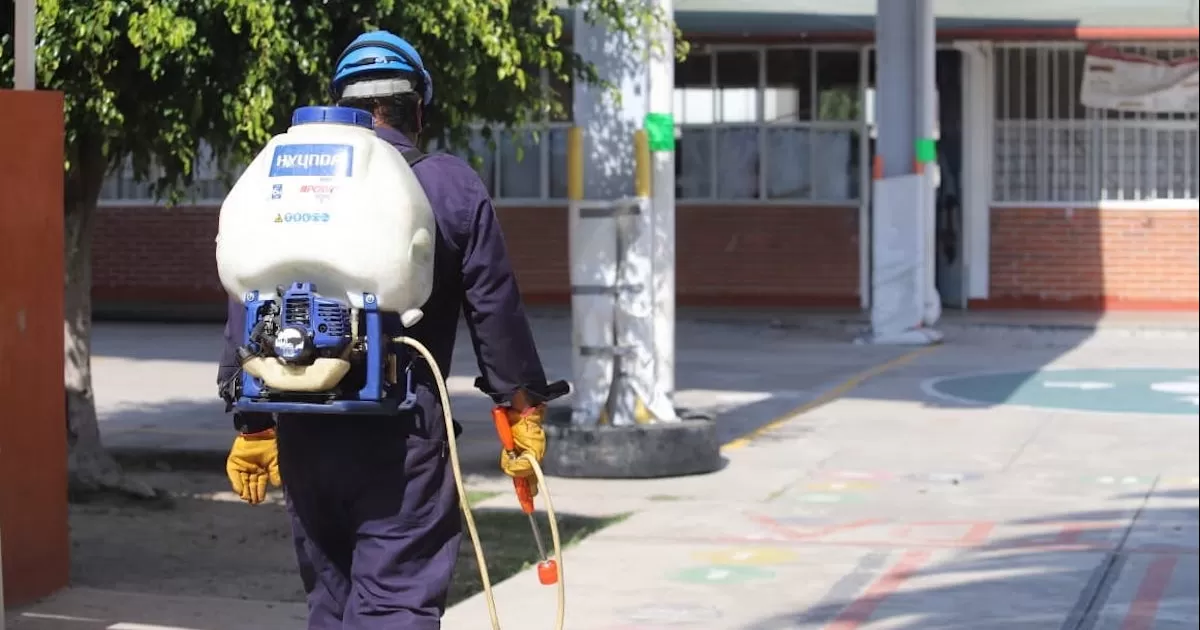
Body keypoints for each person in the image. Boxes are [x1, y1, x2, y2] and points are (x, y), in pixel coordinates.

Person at [217, 30, 558, 630]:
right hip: (402, 438)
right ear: (417, 107)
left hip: (304, 429)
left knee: (330, 603)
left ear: (343, 104)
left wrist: (253, 425)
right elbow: (495, 311)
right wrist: (521, 412)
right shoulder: (450, 186)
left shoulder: (289, 184)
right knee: (395, 605)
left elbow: (249, 296)